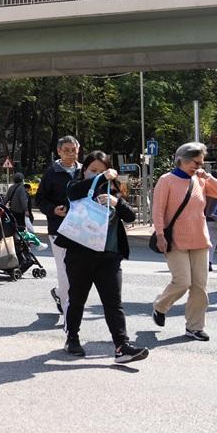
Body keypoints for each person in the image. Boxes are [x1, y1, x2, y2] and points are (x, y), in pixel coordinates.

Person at [54, 151, 149, 363]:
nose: (97, 174)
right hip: (79, 256)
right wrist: (99, 179)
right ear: (84, 171)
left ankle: (121, 346)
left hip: (109, 257)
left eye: (102, 170)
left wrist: (116, 202)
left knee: (113, 303)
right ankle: (72, 338)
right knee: (77, 299)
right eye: (92, 171)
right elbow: (73, 193)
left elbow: (130, 216)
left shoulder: (114, 191)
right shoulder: (77, 188)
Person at [152, 142, 217, 342]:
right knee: (182, 281)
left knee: (199, 286)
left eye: (201, 162)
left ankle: (194, 327)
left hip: (200, 239)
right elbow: (158, 210)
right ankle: (160, 306)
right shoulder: (166, 180)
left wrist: (207, 176)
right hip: (175, 240)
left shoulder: (201, 180)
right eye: (195, 162)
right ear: (181, 160)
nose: (198, 166)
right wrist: (160, 235)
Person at [36, 135, 82, 321]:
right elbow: (40, 200)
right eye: (67, 150)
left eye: (74, 150)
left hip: (82, 230)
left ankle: (58, 292)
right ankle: (69, 315)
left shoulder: (83, 171)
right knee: (64, 271)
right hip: (59, 229)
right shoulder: (51, 173)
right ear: (59, 151)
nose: (71, 154)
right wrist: (53, 210)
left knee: (79, 272)